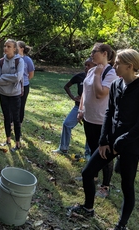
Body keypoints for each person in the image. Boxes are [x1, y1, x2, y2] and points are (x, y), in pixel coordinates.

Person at [68, 49, 139, 230]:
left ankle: (121, 225)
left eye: (117, 64)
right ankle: (88, 207)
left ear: (130, 66)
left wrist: (122, 142)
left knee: (126, 184)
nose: (114, 65)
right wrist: (103, 140)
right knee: (87, 172)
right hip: (111, 140)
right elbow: (109, 112)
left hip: (131, 143)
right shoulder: (116, 84)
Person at [76, 43, 118, 198]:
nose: (92, 54)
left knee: (104, 154)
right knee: (94, 149)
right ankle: (92, 177)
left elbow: (101, 94)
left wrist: (99, 73)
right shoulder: (92, 70)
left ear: (105, 53)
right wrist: (81, 110)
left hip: (102, 120)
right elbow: (85, 93)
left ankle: (105, 187)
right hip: (89, 118)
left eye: (94, 52)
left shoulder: (110, 73)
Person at [52, 58, 95, 156]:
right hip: (78, 107)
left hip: (91, 108)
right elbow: (66, 86)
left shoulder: (98, 78)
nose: (86, 67)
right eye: (85, 65)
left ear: (95, 66)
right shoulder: (80, 76)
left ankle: (88, 154)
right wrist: (73, 97)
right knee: (66, 124)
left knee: (90, 131)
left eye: (89, 65)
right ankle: (63, 148)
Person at [0, 39, 24, 152]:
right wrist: (9, 79)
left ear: (14, 49)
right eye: (5, 46)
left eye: (9, 46)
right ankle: (8, 140)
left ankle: (17, 143)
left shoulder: (19, 61)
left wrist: (3, 78)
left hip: (15, 95)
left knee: (16, 118)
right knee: (6, 117)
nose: (5, 48)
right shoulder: (0, 62)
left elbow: (18, 77)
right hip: (3, 94)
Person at [17, 41, 35, 127]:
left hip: (24, 86)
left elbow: (31, 74)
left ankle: (19, 123)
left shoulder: (27, 60)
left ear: (22, 49)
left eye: (16, 46)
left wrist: (24, 81)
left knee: (21, 105)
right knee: (13, 104)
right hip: (14, 86)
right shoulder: (13, 58)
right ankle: (11, 122)